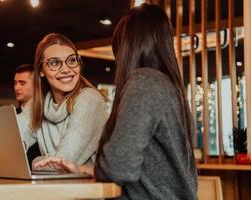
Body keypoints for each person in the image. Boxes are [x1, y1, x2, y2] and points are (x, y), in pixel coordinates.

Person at [33, 4, 197, 200]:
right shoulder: (166, 85)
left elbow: (118, 166)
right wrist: (85, 169)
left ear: (128, 46)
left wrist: (99, 166)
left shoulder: (144, 83)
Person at [30, 33, 108, 166]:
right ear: (41, 71)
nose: (66, 69)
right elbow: (12, 137)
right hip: (59, 185)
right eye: (54, 63)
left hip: (90, 185)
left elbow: (63, 164)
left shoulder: (89, 99)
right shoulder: (42, 103)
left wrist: (36, 160)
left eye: (71, 60)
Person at [14, 64, 40, 165]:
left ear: (36, 85)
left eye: (22, 83)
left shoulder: (41, 114)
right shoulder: (12, 114)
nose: (16, 87)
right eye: (15, 83)